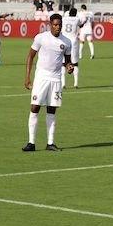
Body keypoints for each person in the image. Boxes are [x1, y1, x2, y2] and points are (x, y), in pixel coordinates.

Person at [22, 14, 73, 152]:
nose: (58, 27)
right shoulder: (41, 38)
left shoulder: (67, 42)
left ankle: (50, 143)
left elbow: (67, 61)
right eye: (55, 25)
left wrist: (69, 67)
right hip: (41, 78)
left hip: (56, 80)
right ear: (50, 24)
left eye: (59, 25)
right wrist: (27, 77)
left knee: (52, 109)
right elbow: (30, 56)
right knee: (35, 107)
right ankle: (31, 143)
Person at [61, 8, 85, 89]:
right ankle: (75, 83)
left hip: (64, 41)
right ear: (75, 14)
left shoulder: (64, 18)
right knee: (75, 63)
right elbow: (81, 25)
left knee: (63, 63)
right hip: (73, 41)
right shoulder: (77, 19)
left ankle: (63, 84)